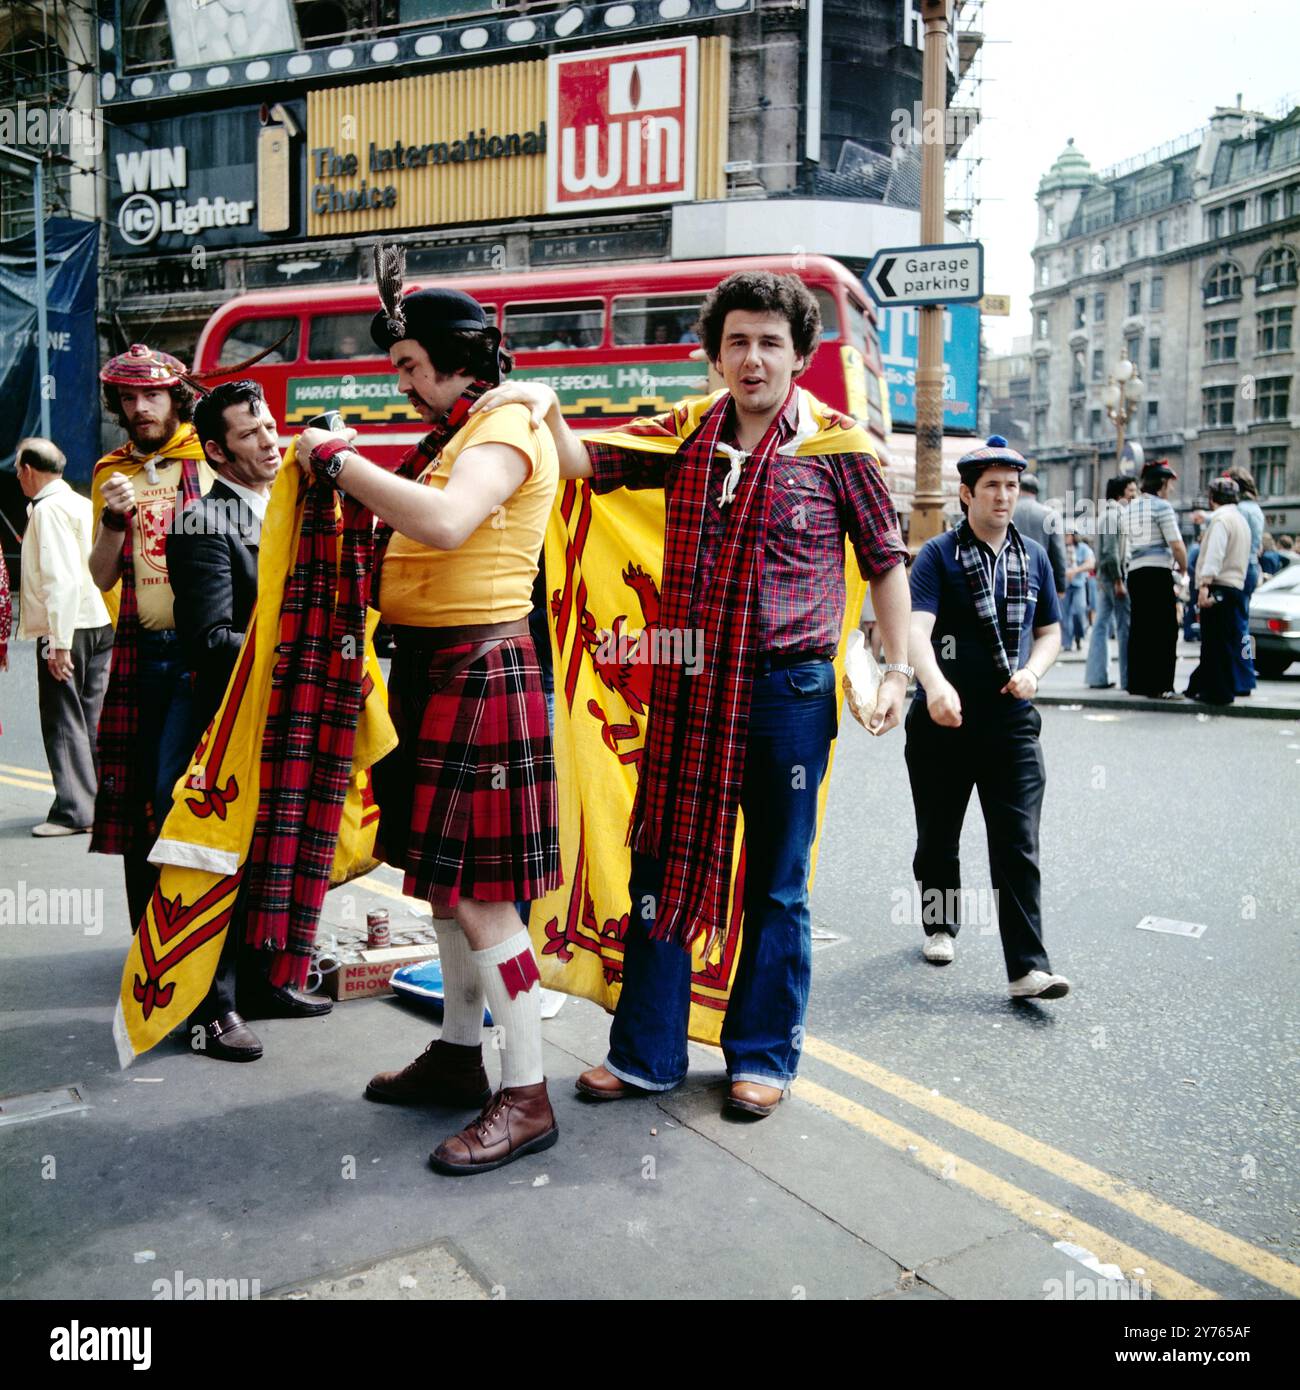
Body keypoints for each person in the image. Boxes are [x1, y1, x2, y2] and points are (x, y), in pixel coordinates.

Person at [474, 269, 913, 1118]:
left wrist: (896, 669)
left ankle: (763, 1058)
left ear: (798, 356)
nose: (753, 360)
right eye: (737, 343)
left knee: (777, 883)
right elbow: (577, 463)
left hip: (790, 688)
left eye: (770, 344)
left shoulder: (840, 447)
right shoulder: (683, 435)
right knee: (662, 866)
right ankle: (645, 1054)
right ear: (716, 355)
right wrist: (544, 407)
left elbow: (888, 565)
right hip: (690, 686)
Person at [295, 274, 561, 1175]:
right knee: (446, 888)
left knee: (484, 897)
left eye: (410, 365)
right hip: (439, 669)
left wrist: (336, 460)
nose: (400, 382)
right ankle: (458, 1057)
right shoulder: (466, 428)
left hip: (481, 666)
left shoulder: (505, 424)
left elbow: (447, 524)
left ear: (457, 358)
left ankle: (525, 1094)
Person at [165, 379, 331, 1062]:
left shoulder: (288, 507)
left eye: (269, 426)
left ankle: (264, 984)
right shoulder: (203, 521)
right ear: (215, 451)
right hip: (225, 726)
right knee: (220, 866)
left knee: (272, 859)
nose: (270, 440)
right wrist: (303, 651)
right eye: (250, 433)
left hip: (282, 716)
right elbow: (211, 638)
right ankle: (212, 1009)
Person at [905, 437, 1069, 1000]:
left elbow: (1050, 632)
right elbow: (915, 632)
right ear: (966, 493)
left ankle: (1028, 967)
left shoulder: (1035, 558)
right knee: (938, 837)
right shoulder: (938, 556)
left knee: (1017, 841)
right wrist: (934, 686)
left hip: (1012, 721)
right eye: (992, 486)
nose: (1004, 496)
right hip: (943, 720)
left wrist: (1035, 672)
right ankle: (940, 924)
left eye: (1011, 485)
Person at [88, 345, 215, 928]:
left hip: (205, 651)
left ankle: (200, 936)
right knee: (140, 800)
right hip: (141, 653)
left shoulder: (210, 454)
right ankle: (149, 933)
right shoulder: (110, 472)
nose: (140, 408)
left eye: (152, 395)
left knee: (187, 796)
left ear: (175, 397)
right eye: (129, 397)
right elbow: (101, 575)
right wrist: (115, 520)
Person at [14, 438, 113, 836]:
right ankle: (98, 804)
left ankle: (74, 810)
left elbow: (60, 579)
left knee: (62, 718)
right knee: (91, 717)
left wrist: (58, 642)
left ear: (27, 470)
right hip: (99, 619)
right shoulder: (78, 502)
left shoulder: (48, 510)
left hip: (69, 625)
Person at [1122, 460, 1187, 698]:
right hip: (1157, 571)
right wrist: (1184, 567)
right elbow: (1176, 544)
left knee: (1140, 629)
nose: (1171, 489)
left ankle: (1138, 683)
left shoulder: (1130, 508)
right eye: (1169, 484)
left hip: (1136, 572)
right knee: (1164, 629)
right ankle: (1162, 685)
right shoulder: (1162, 507)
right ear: (1162, 483)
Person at [1185, 476, 1251, 706]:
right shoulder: (1240, 520)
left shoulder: (1221, 521)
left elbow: (1215, 554)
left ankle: (1216, 692)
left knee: (1213, 642)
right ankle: (1212, 686)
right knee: (1226, 641)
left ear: (1212, 498)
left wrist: (1204, 584)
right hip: (1235, 586)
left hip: (1219, 584)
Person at [1086, 475, 1135, 689]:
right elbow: (1111, 552)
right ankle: (1126, 679)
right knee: (1123, 627)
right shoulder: (1113, 516)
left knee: (1101, 625)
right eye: (1132, 490)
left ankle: (1098, 677)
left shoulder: (1109, 515)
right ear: (1120, 493)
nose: (1135, 495)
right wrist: (1118, 581)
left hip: (1106, 578)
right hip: (1114, 578)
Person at [1226, 466, 1264, 696]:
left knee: (1236, 626)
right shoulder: (1256, 509)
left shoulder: (1239, 510)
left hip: (1239, 568)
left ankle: (1243, 677)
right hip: (1251, 568)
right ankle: (1247, 672)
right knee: (1244, 625)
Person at [1012, 471, 1067, 600]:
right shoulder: (1050, 514)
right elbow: (1058, 553)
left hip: (1009, 576)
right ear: (1036, 491)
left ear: (1019, 488)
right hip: (1040, 578)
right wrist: (1060, 586)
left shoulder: (1007, 512)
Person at [1062, 530, 1094, 651]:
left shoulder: (1083, 548)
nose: (1066, 537)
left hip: (1078, 584)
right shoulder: (1061, 548)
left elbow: (1091, 564)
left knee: (1079, 611)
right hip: (1064, 586)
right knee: (1064, 616)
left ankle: (1079, 636)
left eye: (1068, 535)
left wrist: (1075, 571)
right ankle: (1067, 643)